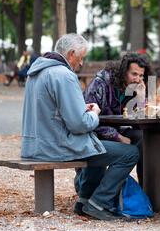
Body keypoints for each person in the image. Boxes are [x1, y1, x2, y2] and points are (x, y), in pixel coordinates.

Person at [21, 33, 139, 220]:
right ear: (71, 54)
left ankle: (84, 201)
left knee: (97, 144)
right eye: (81, 57)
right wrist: (94, 113)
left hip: (35, 144)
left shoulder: (36, 73)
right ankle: (99, 203)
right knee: (129, 153)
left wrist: (79, 108)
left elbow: (51, 110)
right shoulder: (64, 75)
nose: (82, 63)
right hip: (56, 146)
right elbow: (79, 125)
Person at [83, 53, 150, 186]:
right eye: (134, 74)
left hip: (117, 130)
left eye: (141, 76)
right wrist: (117, 137)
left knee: (142, 138)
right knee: (128, 147)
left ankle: (144, 189)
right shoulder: (100, 84)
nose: (138, 79)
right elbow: (87, 120)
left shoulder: (133, 89)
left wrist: (141, 98)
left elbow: (139, 122)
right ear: (123, 72)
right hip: (94, 133)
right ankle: (94, 185)